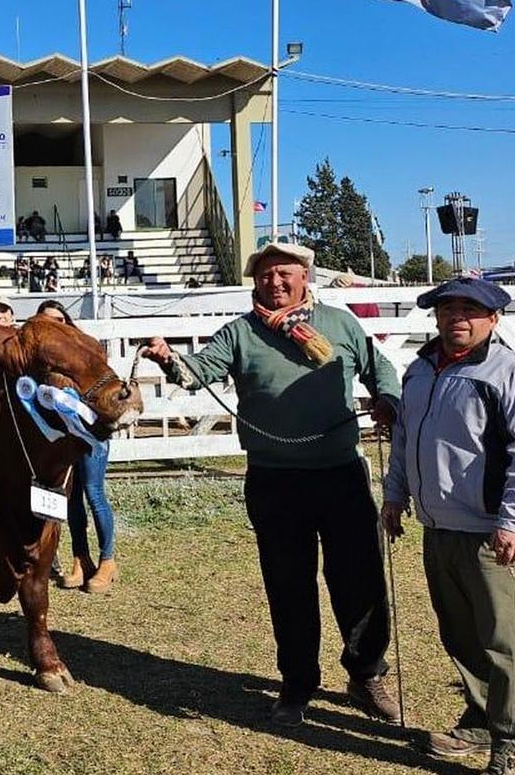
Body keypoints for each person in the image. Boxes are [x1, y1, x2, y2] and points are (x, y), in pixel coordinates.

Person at [142, 242, 402, 727]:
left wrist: (387, 395)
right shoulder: (240, 333)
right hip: (274, 482)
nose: (275, 283)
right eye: (265, 276)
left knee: (359, 580)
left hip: (340, 473)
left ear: (305, 277)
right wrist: (169, 360)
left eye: (285, 274)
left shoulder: (340, 324)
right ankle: (297, 682)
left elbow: (377, 364)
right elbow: (199, 371)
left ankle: (366, 673)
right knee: (288, 585)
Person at [381, 277, 515, 775]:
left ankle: (514, 755)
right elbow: (406, 438)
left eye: (471, 309)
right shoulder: (419, 372)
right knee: (460, 635)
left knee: (506, 646)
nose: (458, 317)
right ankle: (479, 721)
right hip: (440, 529)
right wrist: (394, 495)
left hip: (492, 534)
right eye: (448, 308)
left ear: (493, 318)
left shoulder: (509, 373)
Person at [33, 300, 118, 593]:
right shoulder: (40, 360)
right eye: (46, 321)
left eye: (59, 319)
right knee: (71, 499)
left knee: (94, 493)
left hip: (90, 434)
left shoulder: (87, 352)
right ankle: (80, 558)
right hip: (62, 438)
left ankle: (108, 560)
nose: (54, 326)